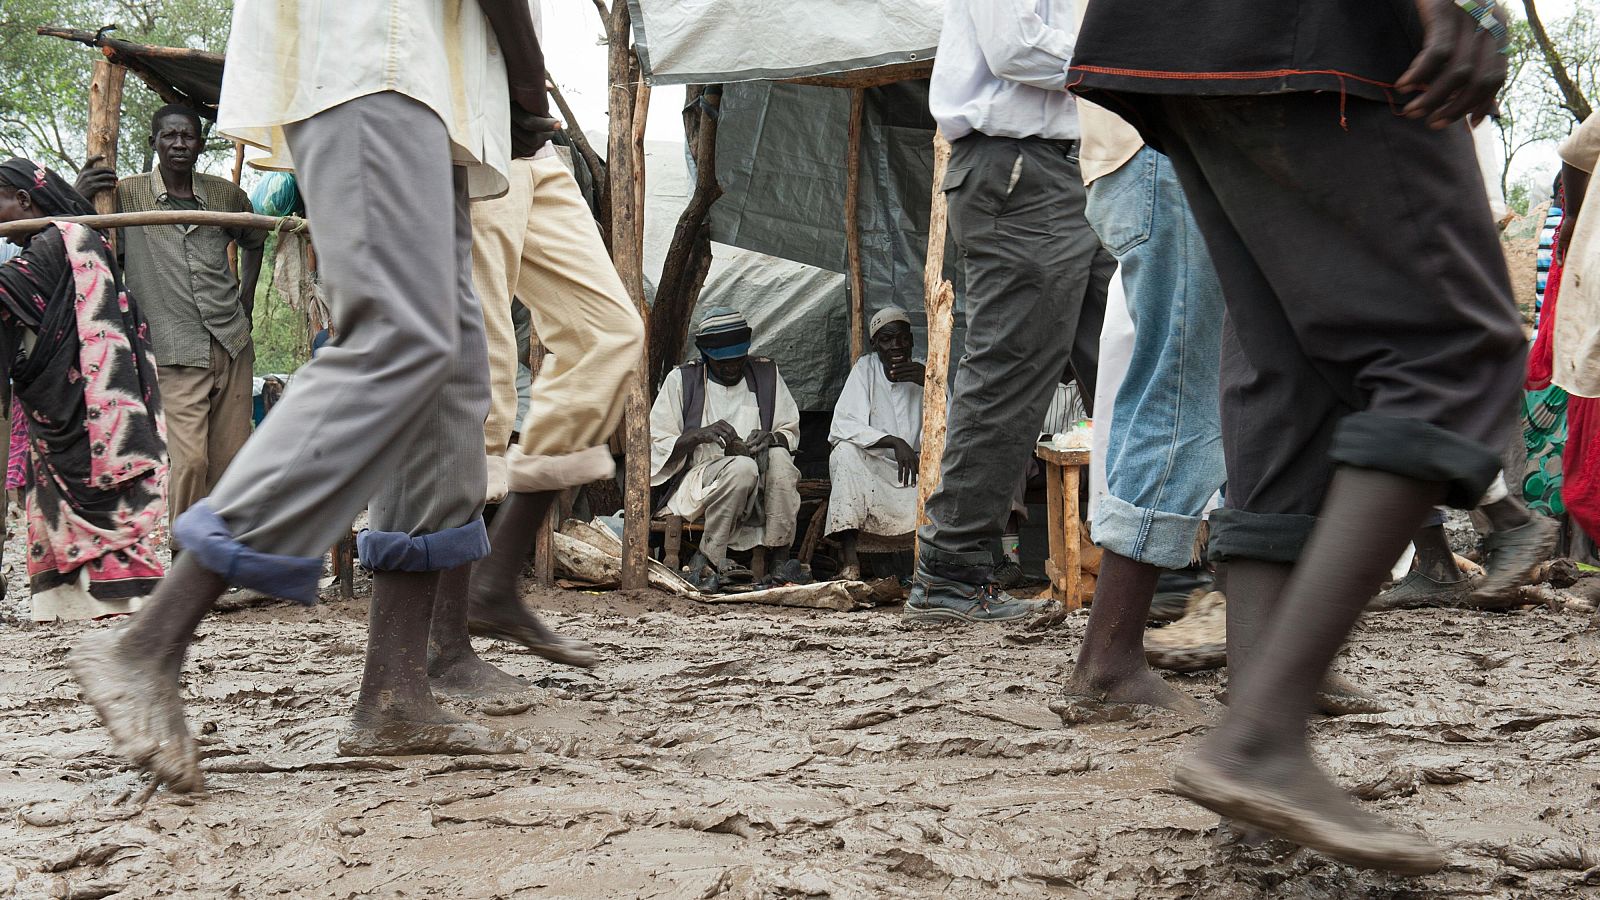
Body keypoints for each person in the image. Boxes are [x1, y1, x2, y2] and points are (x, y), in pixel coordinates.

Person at [1071, 0, 1525, 872]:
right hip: (1318, 37)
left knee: (1283, 370)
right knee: (1450, 349)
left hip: (1172, 39)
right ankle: (1262, 741)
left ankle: (1256, 764)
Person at [69, 0, 557, 792]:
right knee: (397, 336)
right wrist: (531, 90)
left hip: (435, 94)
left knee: (450, 372)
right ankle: (149, 640)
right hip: (376, 58)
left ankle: (395, 694)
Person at [453, 0, 647, 689]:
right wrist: (530, 90)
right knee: (486, 379)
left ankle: (496, 577)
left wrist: (531, 104)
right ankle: (446, 637)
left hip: (529, 140)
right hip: (474, 127)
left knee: (609, 333)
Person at [912, 0, 1112, 624]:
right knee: (1011, 369)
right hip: (1018, 168)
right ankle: (951, 567)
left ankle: (1161, 565)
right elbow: (1016, 49)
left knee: (1130, 356)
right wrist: (1124, 49)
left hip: (1083, 166)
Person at [1064, 71, 1226, 713]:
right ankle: (1107, 659)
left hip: (1199, 136)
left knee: (1249, 392)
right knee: (1182, 383)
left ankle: (1269, 649)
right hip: (1165, 134)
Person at [75, 105, 264, 539]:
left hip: (232, 341)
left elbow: (255, 238)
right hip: (175, 347)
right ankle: (187, 560)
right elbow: (76, 233)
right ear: (154, 143)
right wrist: (77, 194)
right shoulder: (127, 197)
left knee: (232, 461)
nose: (180, 144)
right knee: (190, 461)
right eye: (170, 136)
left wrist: (247, 298)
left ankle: (222, 558)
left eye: (189, 137)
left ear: (200, 143)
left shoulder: (224, 195)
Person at [0, 159, 167, 621]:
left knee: (92, 483)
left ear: (24, 201)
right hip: (68, 398)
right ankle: (75, 599)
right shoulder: (68, 239)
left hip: (85, 400)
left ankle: (100, 598)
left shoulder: (57, 243)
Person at [650, 308, 802, 593]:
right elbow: (657, 445)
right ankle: (707, 556)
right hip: (701, 481)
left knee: (780, 458)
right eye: (723, 362)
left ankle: (779, 559)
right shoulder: (681, 380)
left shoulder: (766, 373)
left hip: (759, 482)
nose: (732, 367)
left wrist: (771, 437)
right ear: (706, 357)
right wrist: (698, 435)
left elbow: (789, 431)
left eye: (738, 359)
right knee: (742, 468)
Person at [826, 308, 925, 580]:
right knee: (844, 453)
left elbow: (949, 429)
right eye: (887, 340)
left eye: (902, 339)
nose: (896, 346)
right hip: (875, 469)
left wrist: (930, 383)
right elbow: (842, 426)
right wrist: (893, 442)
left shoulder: (924, 371)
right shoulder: (865, 369)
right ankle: (850, 562)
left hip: (917, 472)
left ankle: (928, 566)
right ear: (875, 344)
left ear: (912, 340)